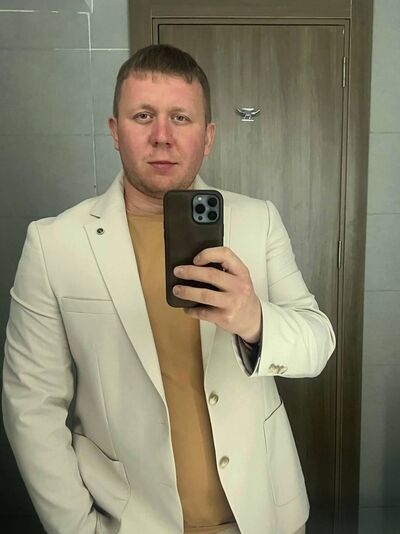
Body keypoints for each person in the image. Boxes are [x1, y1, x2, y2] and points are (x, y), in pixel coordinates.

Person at [2, 44, 335, 534]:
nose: (162, 136)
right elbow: (31, 403)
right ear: (115, 131)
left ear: (208, 136)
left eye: (181, 117)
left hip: (264, 514)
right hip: (130, 521)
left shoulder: (257, 221)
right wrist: (77, 528)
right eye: (143, 116)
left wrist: (253, 320)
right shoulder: (54, 244)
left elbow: (318, 344)